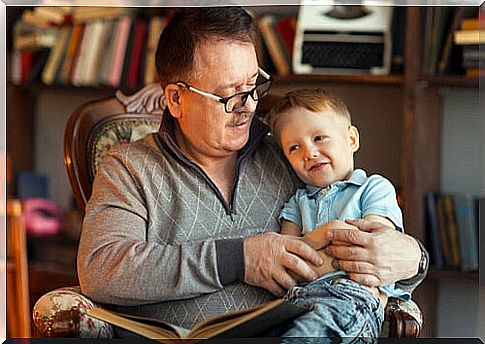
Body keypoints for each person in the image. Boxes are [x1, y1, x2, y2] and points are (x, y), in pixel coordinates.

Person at [77, 6, 428, 338]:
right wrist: (239, 259)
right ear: (176, 99)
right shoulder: (128, 167)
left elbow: (355, 228)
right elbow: (102, 269)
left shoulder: (288, 156)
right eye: (230, 95)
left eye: (253, 85)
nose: (248, 107)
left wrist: (413, 259)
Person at [267, 88, 411, 340]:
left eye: (319, 138)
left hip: (352, 298)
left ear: (352, 139)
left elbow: (369, 253)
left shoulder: (374, 188)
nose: (309, 152)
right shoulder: (296, 202)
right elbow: (288, 264)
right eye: (294, 147)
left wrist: (309, 246)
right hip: (297, 300)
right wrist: (327, 233)